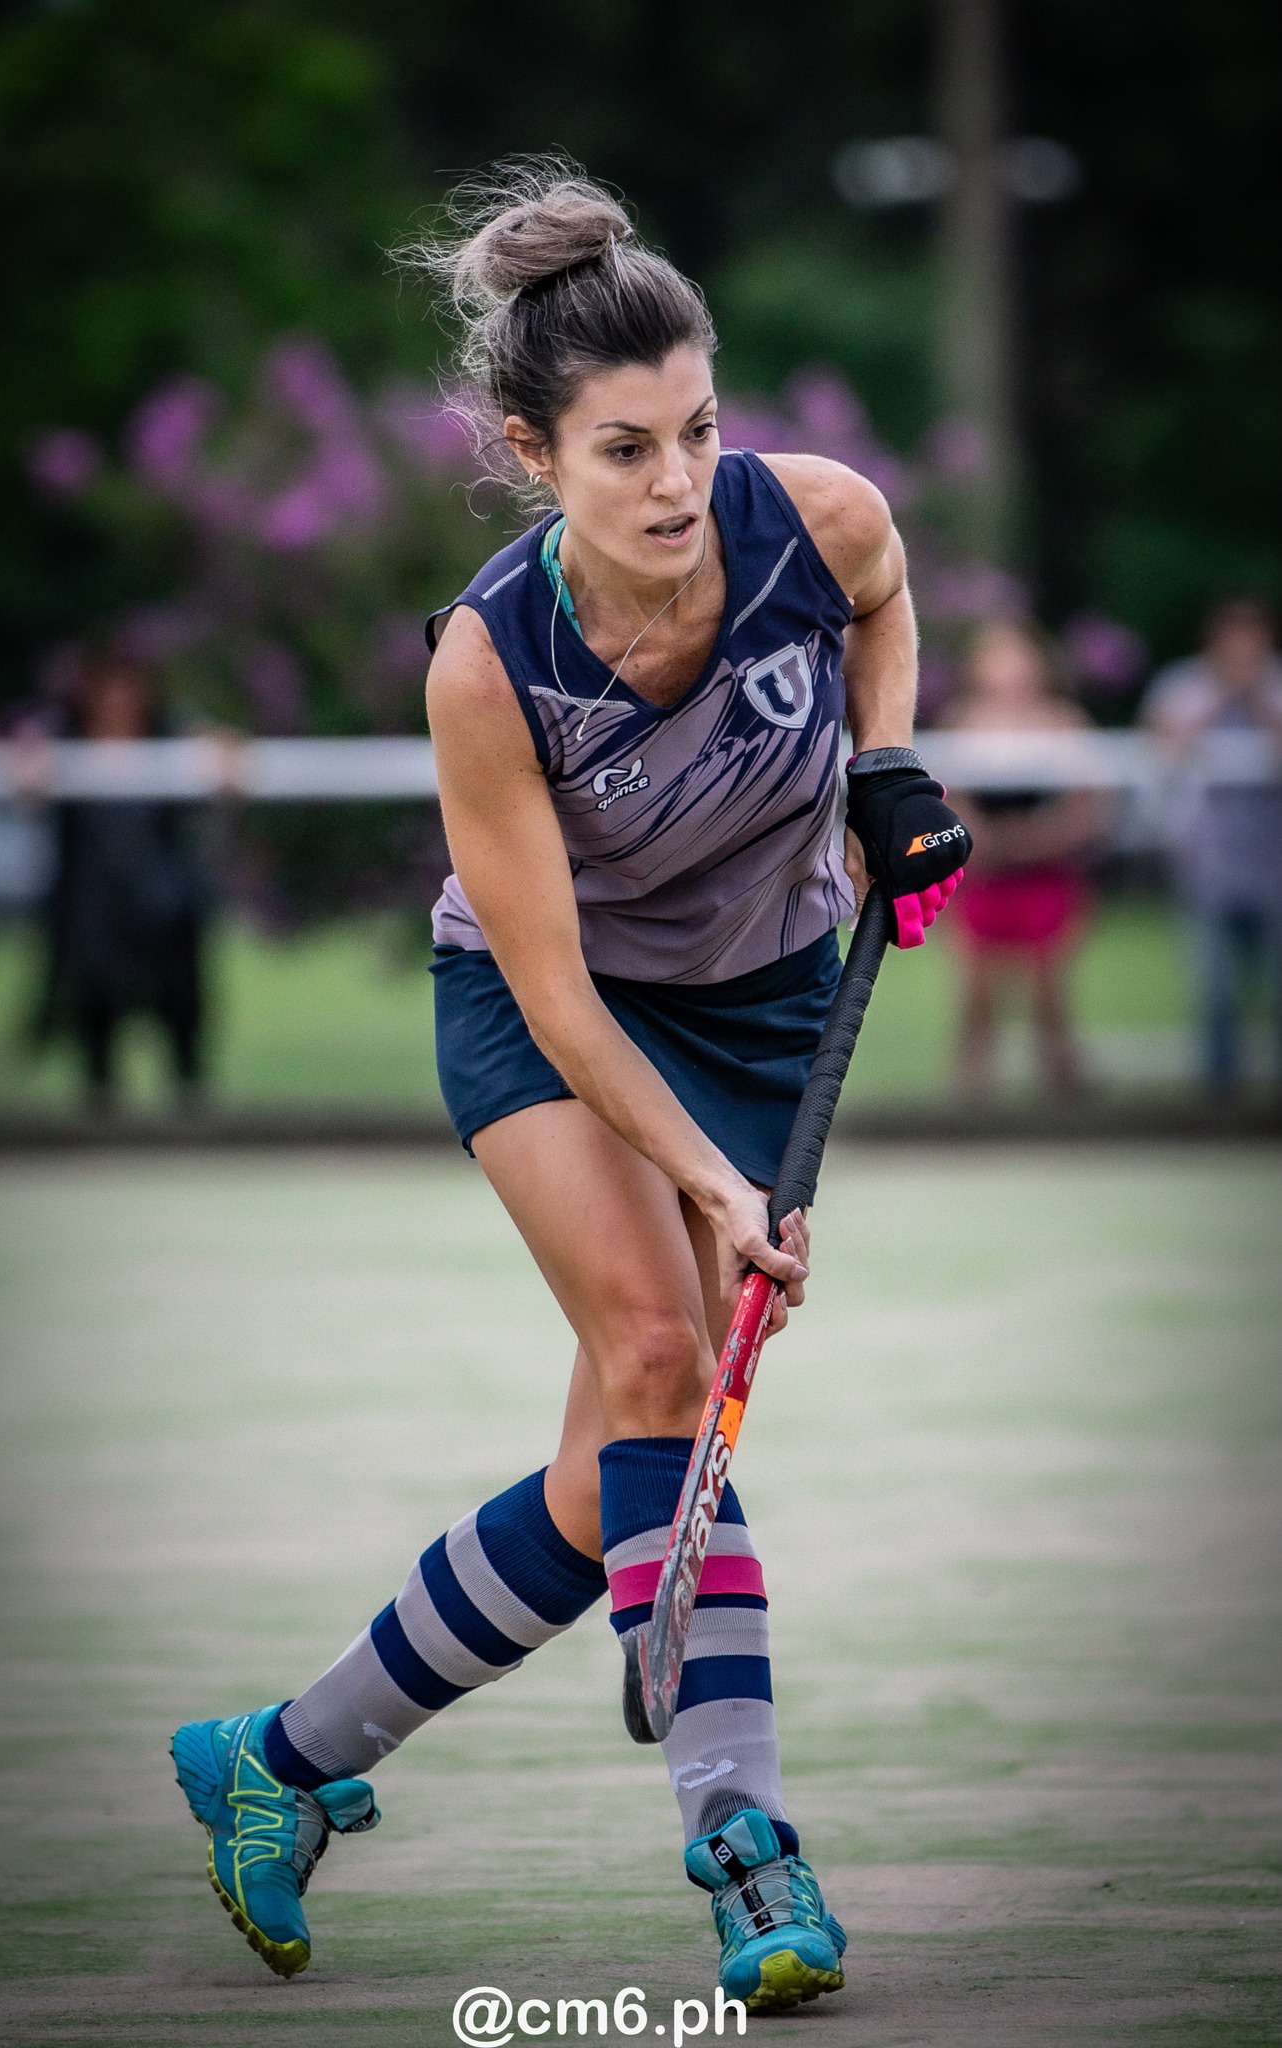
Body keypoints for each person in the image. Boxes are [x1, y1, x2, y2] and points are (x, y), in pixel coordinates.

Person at [170, 166, 970, 2013]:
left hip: (761, 992)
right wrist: (706, 1182)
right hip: (560, 1014)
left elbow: (882, 606)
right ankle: (745, 1849)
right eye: (622, 449)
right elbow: (548, 981)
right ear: (532, 455)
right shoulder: (489, 663)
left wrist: (889, 762)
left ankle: (276, 1759)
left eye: (694, 428)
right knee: (660, 1372)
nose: (676, 481)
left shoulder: (811, 520)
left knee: (607, 1479)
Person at [940, 621, 1108, 1096]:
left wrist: (1037, 840)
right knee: (976, 989)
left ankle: (1064, 1092)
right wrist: (984, 840)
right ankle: (969, 1097)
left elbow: (1091, 804)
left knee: (1047, 985)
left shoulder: (1064, 722)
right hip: (982, 877)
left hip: (1046, 873)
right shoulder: (961, 722)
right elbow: (946, 799)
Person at [38, 648, 210, 1108]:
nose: (118, 702)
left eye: (128, 690)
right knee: (95, 1002)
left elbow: (219, 751)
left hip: (162, 901)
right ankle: (100, 1104)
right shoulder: (64, 741)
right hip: (94, 904)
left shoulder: (170, 736)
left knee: (179, 1002)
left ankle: (189, 1102)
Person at [1140, 598, 1282, 1091]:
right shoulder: (1185, 686)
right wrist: (1224, 695)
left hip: (1273, 861)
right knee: (1216, 989)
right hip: (1209, 861)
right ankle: (1219, 1099)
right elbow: (1167, 747)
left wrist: (1256, 698)